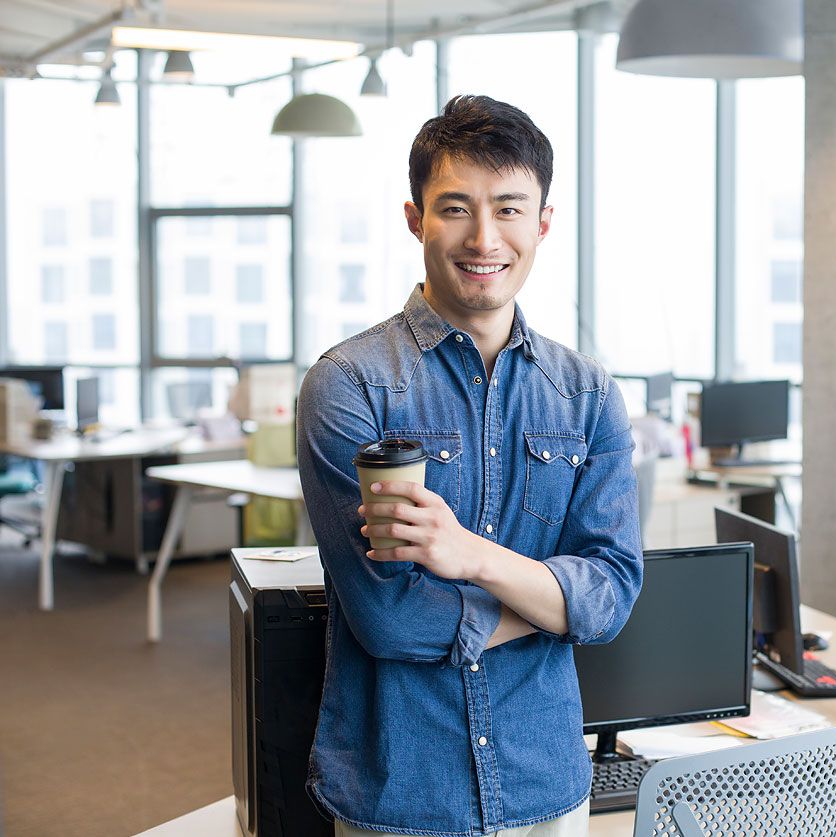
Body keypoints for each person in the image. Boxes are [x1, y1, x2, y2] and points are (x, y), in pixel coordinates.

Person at [296, 95, 644, 836]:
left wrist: (468, 556)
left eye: (510, 209)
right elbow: (389, 617)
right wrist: (551, 603)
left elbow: (610, 597)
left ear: (542, 223)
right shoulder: (348, 384)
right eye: (454, 208)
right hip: (403, 796)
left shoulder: (586, 393)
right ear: (415, 218)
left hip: (546, 784)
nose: (484, 237)